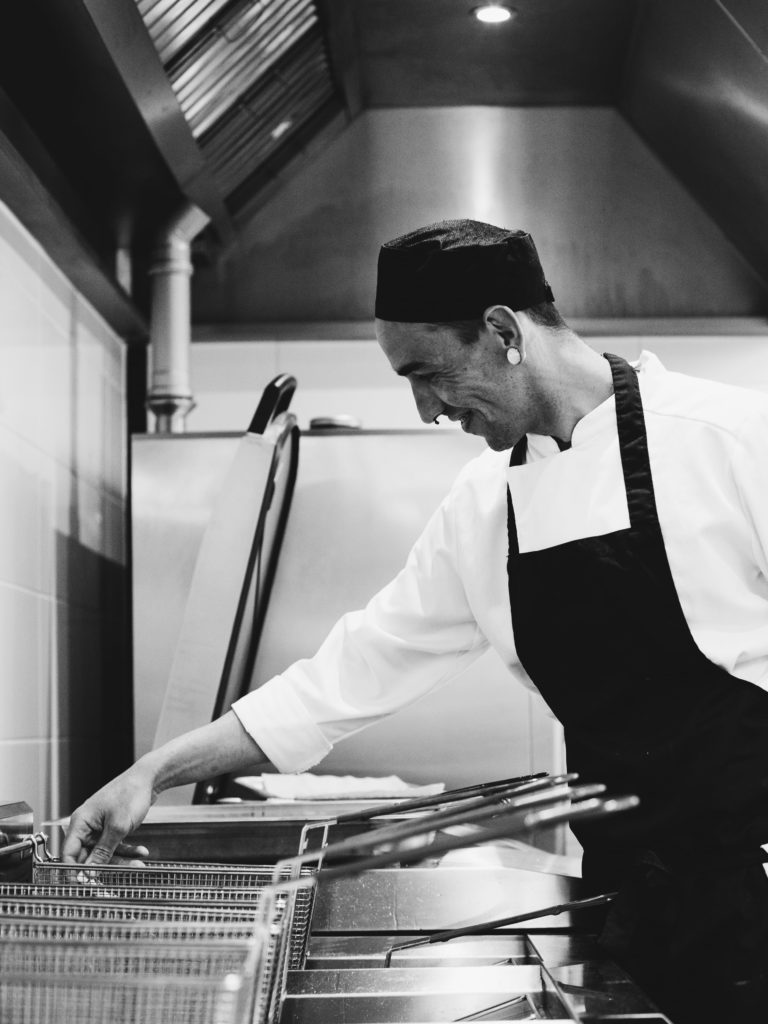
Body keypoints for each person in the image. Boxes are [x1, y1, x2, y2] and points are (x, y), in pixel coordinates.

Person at [64, 220, 768, 1022]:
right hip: (634, 909)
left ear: (504, 331)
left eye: (429, 373)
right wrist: (152, 773)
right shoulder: (484, 504)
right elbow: (349, 675)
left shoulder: (732, 441)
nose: (427, 408)